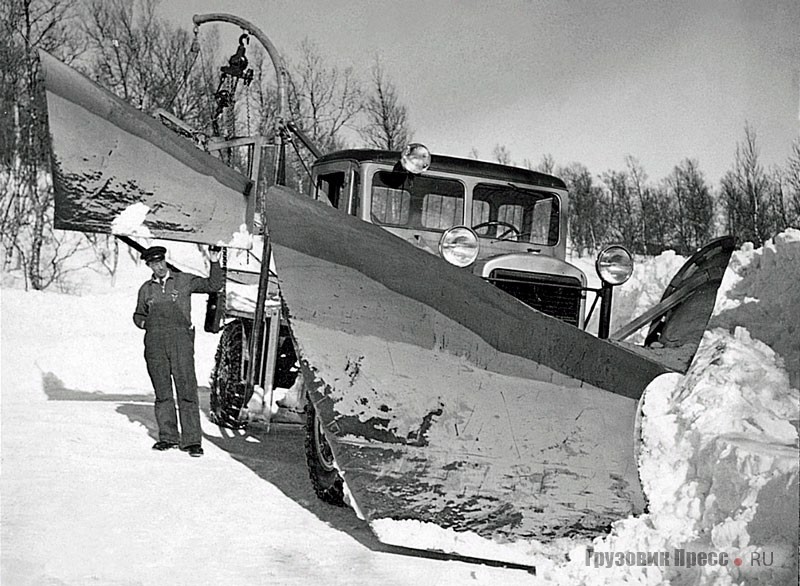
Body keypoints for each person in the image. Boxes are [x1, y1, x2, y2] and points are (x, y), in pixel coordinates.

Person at [133, 245, 223, 457]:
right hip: (155, 344)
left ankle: (192, 441)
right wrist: (146, 324)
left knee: (187, 390)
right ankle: (168, 437)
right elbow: (138, 314)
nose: (159, 267)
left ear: (165, 260)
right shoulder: (146, 289)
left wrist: (214, 261)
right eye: (154, 264)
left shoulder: (183, 281)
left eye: (161, 262)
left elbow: (214, 284)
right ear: (149, 266)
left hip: (180, 343)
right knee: (163, 392)